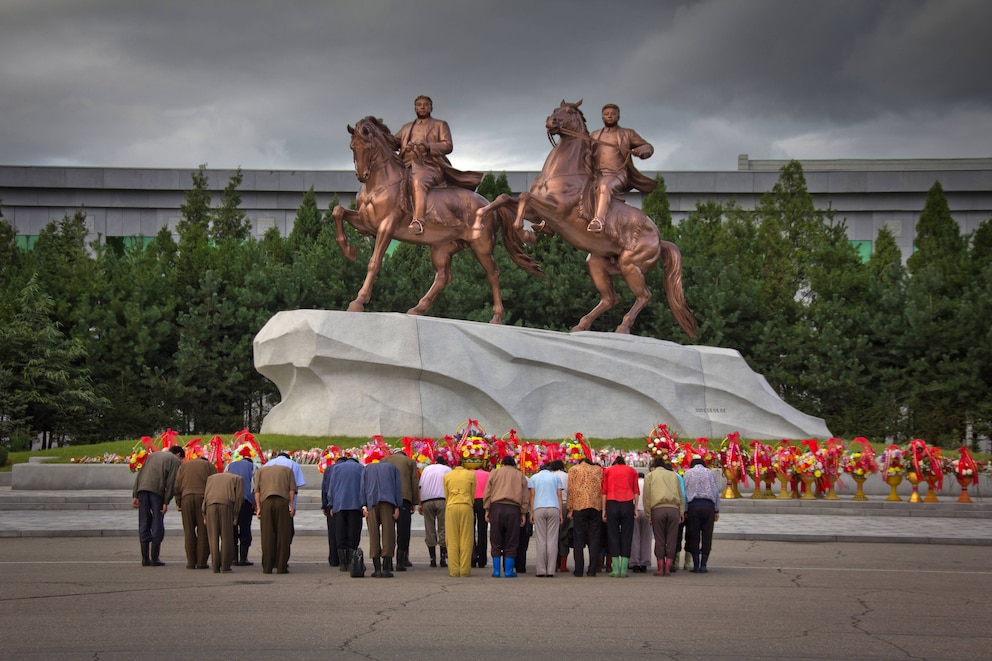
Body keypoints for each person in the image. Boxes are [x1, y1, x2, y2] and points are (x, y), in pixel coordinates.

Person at [394, 95, 482, 235]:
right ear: (415, 108)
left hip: (430, 166)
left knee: (418, 182)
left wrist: (428, 147)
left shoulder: (440, 125)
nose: (422, 107)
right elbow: (392, 142)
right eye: (419, 104)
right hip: (406, 166)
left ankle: (418, 221)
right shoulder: (406, 128)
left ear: (431, 107)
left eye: (425, 104)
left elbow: (448, 145)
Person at [587, 103, 656, 233]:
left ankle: (599, 220)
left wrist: (642, 150)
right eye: (606, 114)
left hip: (617, 174)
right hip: (595, 175)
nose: (609, 116)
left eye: (613, 114)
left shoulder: (627, 133)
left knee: (604, 186)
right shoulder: (595, 135)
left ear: (618, 116)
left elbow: (648, 146)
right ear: (602, 117)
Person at [132, 445, 184, 566]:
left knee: (144, 522)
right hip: (157, 492)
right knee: (157, 522)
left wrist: (135, 494)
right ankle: (155, 558)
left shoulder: (152, 455)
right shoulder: (174, 460)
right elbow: (172, 482)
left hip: (142, 490)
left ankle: (145, 558)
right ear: (178, 455)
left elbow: (140, 474)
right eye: (181, 459)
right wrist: (166, 501)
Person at [482, 455, 529, 578]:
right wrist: (523, 513)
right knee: (512, 540)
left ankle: (496, 571)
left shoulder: (494, 473)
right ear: (514, 464)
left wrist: (487, 509)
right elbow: (525, 496)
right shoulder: (520, 475)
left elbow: (487, 492)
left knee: (495, 538)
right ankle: (508, 571)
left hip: (496, 508)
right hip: (513, 509)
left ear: (502, 463)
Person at [642, 457, 685, 576]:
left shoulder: (650, 476)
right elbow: (680, 495)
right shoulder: (674, 475)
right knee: (672, 539)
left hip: (658, 509)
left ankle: (660, 567)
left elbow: (647, 496)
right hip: (673, 509)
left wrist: (648, 514)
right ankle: (668, 567)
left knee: (659, 539)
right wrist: (681, 512)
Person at [173, 453, 217, 569]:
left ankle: (191, 562)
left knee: (189, 531)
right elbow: (214, 483)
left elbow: (177, 485)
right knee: (204, 531)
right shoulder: (209, 466)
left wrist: (178, 501)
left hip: (186, 498)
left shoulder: (184, 466)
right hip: (203, 498)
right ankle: (201, 562)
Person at [360, 459, 402, 578]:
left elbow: (362, 487)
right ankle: (386, 568)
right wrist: (397, 506)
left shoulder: (367, 468)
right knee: (388, 534)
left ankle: (377, 568)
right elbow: (397, 488)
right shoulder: (392, 468)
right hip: (388, 503)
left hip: (371, 503)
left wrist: (363, 505)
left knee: (373, 535)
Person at [253, 462, 296, 575]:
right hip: (282, 502)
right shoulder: (288, 470)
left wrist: (258, 507)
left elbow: (257, 491)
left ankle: (267, 567)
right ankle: (281, 566)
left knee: (267, 535)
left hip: (266, 502)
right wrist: (291, 504)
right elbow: (292, 489)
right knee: (283, 535)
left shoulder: (261, 471)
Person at [382, 449, 420, 570]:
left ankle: (387, 561)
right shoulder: (410, 462)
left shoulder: (385, 460)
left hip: (387, 498)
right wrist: (414, 502)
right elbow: (414, 481)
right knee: (403, 530)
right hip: (404, 498)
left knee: (388, 530)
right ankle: (401, 561)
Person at [602, 455, 639, 578]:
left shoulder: (608, 470)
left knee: (613, 535)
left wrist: (604, 510)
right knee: (626, 535)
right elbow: (636, 491)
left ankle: (615, 569)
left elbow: (604, 492)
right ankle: (624, 569)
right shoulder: (631, 471)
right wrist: (635, 508)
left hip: (612, 503)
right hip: (627, 503)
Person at [566, 457, 603, 577]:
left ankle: (578, 569)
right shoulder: (598, 470)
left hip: (579, 506)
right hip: (595, 506)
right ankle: (592, 569)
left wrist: (570, 509)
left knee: (578, 538)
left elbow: (571, 491)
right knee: (594, 538)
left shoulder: (574, 470)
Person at [683, 456, 721, 573]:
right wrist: (716, 510)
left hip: (693, 506)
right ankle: (704, 564)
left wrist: (684, 510)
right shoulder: (710, 473)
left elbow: (685, 492)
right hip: (708, 506)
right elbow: (715, 491)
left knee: (694, 535)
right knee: (707, 535)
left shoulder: (688, 473)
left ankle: (696, 564)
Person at [326, 455, 364, 571]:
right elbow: (363, 487)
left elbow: (331, 488)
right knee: (353, 533)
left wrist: (331, 504)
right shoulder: (361, 468)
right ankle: (351, 561)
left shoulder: (336, 468)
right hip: (355, 505)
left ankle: (342, 563)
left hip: (339, 505)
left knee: (340, 533)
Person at [202, 470, 244, 573]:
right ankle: (225, 565)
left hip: (210, 505)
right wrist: (235, 515)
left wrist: (204, 513)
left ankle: (215, 566)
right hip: (226, 505)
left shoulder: (211, 478)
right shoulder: (237, 478)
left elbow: (206, 495)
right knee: (226, 537)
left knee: (213, 537)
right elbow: (239, 497)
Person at [528, 462, 564, 577]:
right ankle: (551, 570)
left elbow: (532, 495)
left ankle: (541, 570)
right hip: (554, 507)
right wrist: (560, 513)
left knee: (541, 539)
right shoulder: (555, 477)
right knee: (552, 540)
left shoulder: (534, 478)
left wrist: (532, 512)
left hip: (539, 507)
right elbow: (559, 495)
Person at [443, 458, 478, 578]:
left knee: (452, 539)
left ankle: (453, 570)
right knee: (466, 539)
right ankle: (464, 570)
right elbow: (472, 495)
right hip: (466, 506)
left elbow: (446, 495)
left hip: (451, 506)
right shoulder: (471, 475)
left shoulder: (447, 476)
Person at [225, 447, 256, 566]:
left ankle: (233, 558)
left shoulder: (230, 465)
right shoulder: (253, 467)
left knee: (231, 528)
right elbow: (255, 486)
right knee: (245, 528)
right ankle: (243, 558)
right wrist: (255, 503)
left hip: (230, 501)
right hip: (245, 502)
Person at [266, 451, 306, 544]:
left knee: (271, 528)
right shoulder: (293, 465)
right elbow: (295, 487)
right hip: (285, 500)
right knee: (287, 529)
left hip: (268, 498)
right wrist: (292, 506)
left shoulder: (268, 464)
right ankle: (283, 549)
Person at [419, 456, 451, 568]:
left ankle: (432, 558)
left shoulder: (427, 469)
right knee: (443, 528)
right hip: (442, 500)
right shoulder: (447, 469)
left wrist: (420, 503)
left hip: (427, 501)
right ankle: (443, 558)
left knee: (430, 528)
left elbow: (420, 486)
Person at [549, 460, 571, 573]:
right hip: (566, 505)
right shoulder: (567, 476)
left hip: (552, 505)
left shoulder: (550, 476)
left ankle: (553, 564)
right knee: (564, 535)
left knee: (552, 535)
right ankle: (563, 564)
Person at [629, 471, 651, 573]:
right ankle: (645, 563)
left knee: (635, 538)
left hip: (635, 511)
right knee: (646, 538)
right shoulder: (648, 483)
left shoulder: (633, 482)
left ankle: (635, 563)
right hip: (647, 512)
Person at [319, 457, 339, 567]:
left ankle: (334, 558)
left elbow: (325, 488)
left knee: (332, 532)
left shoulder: (330, 469)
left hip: (332, 504)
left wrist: (325, 504)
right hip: (349, 505)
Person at [472, 464, 490, 569]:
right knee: (482, 531)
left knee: (470, 530)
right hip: (483, 502)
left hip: (472, 500)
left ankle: (472, 557)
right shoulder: (488, 474)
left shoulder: (470, 473)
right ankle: (482, 559)